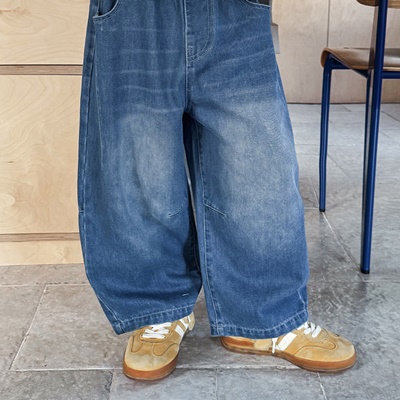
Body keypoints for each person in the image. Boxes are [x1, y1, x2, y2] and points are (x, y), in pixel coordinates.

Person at [77, 0, 356, 381]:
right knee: (140, 168)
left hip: (236, 10)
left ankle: (264, 316)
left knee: (258, 166)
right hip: (135, 11)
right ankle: (160, 310)